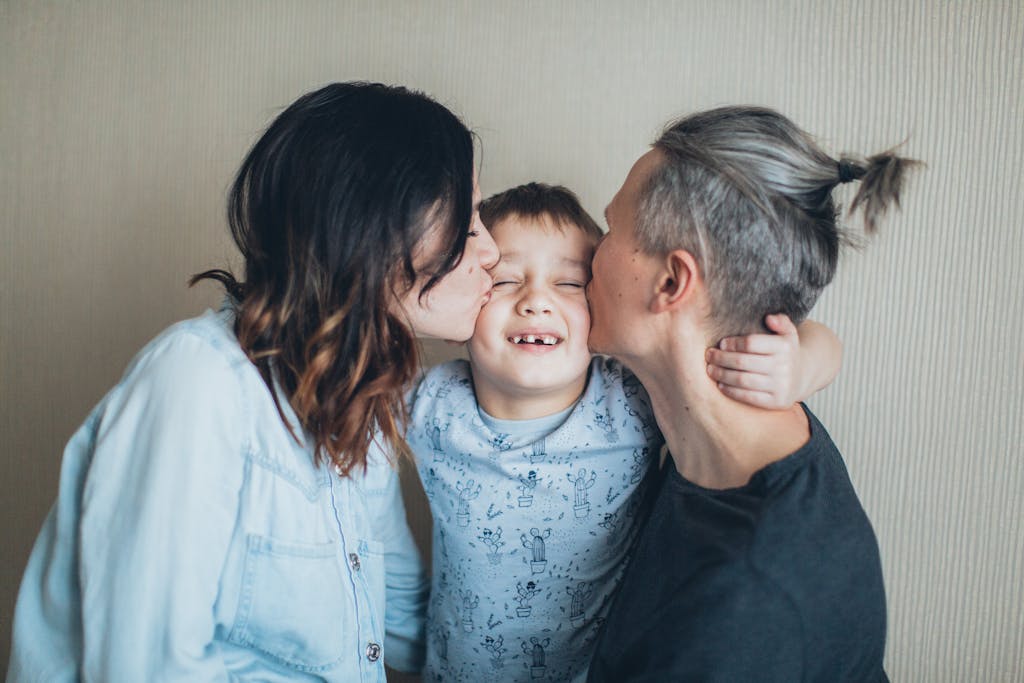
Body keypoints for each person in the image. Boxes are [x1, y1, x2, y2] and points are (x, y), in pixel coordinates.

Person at [7, 82, 500, 682]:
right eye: (468, 220)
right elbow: (143, 670)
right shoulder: (196, 385)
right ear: (378, 224)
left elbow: (406, 629)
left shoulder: (363, 408)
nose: (492, 251)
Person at [406, 183, 843, 682]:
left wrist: (800, 364)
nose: (536, 302)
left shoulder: (630, 399)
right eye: (504, 281)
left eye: (569, 284)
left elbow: (819, 339)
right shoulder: (430, 403)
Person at [586, 106, 919, 682]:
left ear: (671, 283)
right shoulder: (752, 423)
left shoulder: (739, 610)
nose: (591, 248)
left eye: (611, 228)